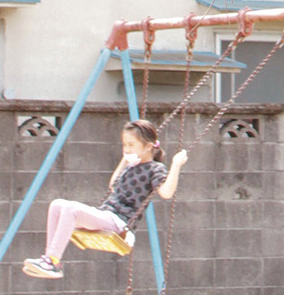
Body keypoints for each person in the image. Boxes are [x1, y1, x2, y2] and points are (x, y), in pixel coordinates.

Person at [23, 119, 187, 279]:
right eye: (124, 145)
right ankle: (51, 260)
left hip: (118, 223)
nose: (127, 149)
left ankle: (52, 261)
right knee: (57, 204)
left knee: (70, 209)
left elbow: (166, 193)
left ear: (149, 147)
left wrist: (176, 165)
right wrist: (126, 157)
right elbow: (113, 185)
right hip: (104, 214)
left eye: (131, 145)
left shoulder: (155, 169)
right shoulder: (131, 166)